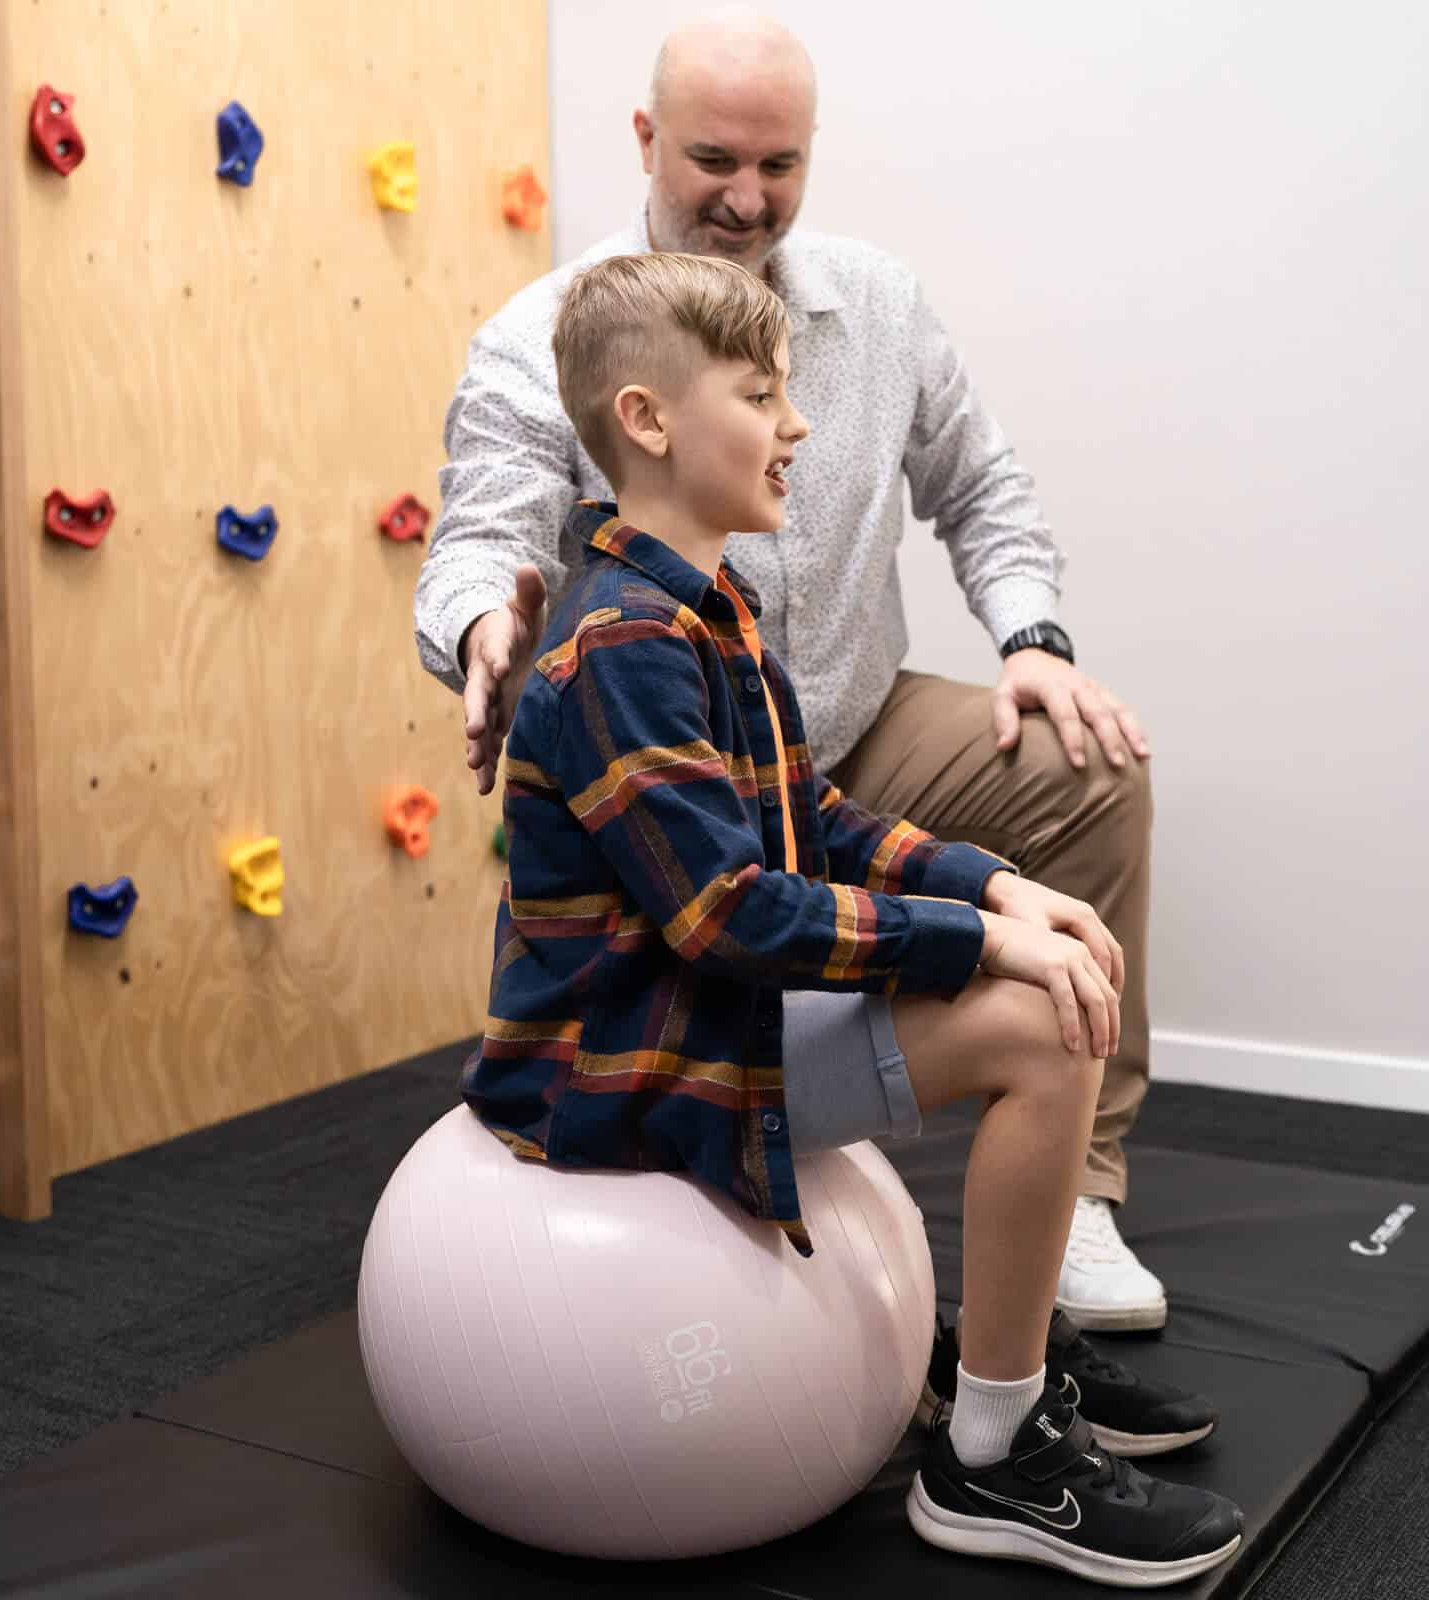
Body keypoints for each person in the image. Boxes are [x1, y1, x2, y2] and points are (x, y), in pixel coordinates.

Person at [461, 250, 1240, 1586]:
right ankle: (996, 1456)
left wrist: (999, 886)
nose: (799, 426)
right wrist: (987, 945)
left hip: (714, 1008)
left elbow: (812, 818)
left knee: (1032, 966)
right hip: (632, 1066)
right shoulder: (619, 649)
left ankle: (999, 1368)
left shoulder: (711, 610)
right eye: (763, 395)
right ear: (648, 422)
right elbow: (729, 916)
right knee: (1046, 1028)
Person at [415, 8, 1163, 1330]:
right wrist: (487, 633)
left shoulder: (873, 305)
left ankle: (1077, 1191)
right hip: (688, 778)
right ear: (645, 140)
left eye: (782, 166)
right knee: (734, 923)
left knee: (1084, 772)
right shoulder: (555, 342)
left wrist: (1031, 643)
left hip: (835, 732)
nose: (749, 199)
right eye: (714, 161)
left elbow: (978, 483)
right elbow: (481, 534)